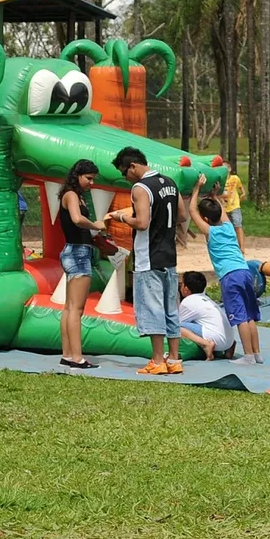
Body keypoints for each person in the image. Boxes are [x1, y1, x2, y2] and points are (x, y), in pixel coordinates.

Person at [108, 147, 183, 375]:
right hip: (169, 255)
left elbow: (141, 223)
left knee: (152, 308)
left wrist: (121, 217)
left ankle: (157, 360)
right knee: (171, 308)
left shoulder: (140, 188)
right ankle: (174, 359)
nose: (125, 178)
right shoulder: (169, 182)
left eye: (124, 172)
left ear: (133, 166)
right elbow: (182, 215)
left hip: (148, 256)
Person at [190, 174, 263, 363]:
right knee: (249, 316)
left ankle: (247, 356)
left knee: (239, 317)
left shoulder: (210, 232)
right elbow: (221, 212)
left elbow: (192, 211)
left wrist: (196, 188)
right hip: (245, 271)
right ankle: (256, 354)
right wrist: (214, 197)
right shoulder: (229, 227)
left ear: (206, 218)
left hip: (230, 276)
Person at [57, 159, 110, 370]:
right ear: (78, 175)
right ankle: (77, 357)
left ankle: (68, 354)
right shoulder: (71, 195)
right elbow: (77, 219)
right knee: (76, 309)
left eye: (93, 179)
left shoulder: (76, 196)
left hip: (76, 250)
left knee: (69, 308)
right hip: (78, 252)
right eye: (89, 178)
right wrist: (95, 225)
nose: (91, 183)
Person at [177, 271, 236, 359]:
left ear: (186, 289)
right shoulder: (206, 298)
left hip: (217, 340)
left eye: (181, 284)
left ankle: (206, 345)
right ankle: (229, 348)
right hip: (229, 341)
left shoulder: (188, 302)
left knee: (176, 327)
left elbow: (179, 322)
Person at [221, 171, 246, 246]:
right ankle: (230, 245)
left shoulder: (235, 178)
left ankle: (242, 247)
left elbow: (240, 187)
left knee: (238, 225)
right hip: (224, 207)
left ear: (229, 169)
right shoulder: (220, 180)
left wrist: (243, 193)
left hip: (235, 206)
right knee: (226, 227)